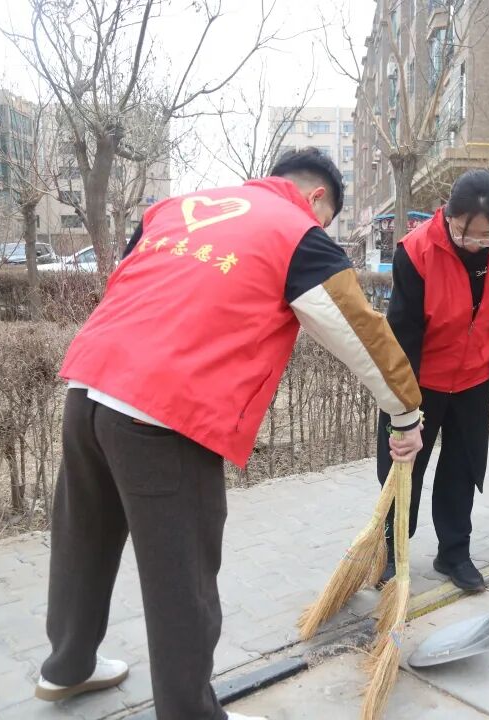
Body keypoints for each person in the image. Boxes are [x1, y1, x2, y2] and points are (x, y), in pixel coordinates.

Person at [37, 148, 424, 720]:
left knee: (83, 540)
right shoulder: (297, 233)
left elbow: (131, 285)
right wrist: (406, 413)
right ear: (317, 197)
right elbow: (359, 331)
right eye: (326, 219)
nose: (322, 228)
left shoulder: (173, 209)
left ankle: (66, 668)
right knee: (182, 579)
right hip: (165, 415)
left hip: (89, 388)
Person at [375, 169, 489, 591]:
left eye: (485, 236)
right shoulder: (417, 250)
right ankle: (391, 553)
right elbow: (403, 334)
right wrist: (405, 407)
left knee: (463, 465)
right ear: (448, 215)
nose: (474, 244)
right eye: (463, 233)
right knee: (404, 466)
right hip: (420, 379)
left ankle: (454, 553)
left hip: (473, 376)